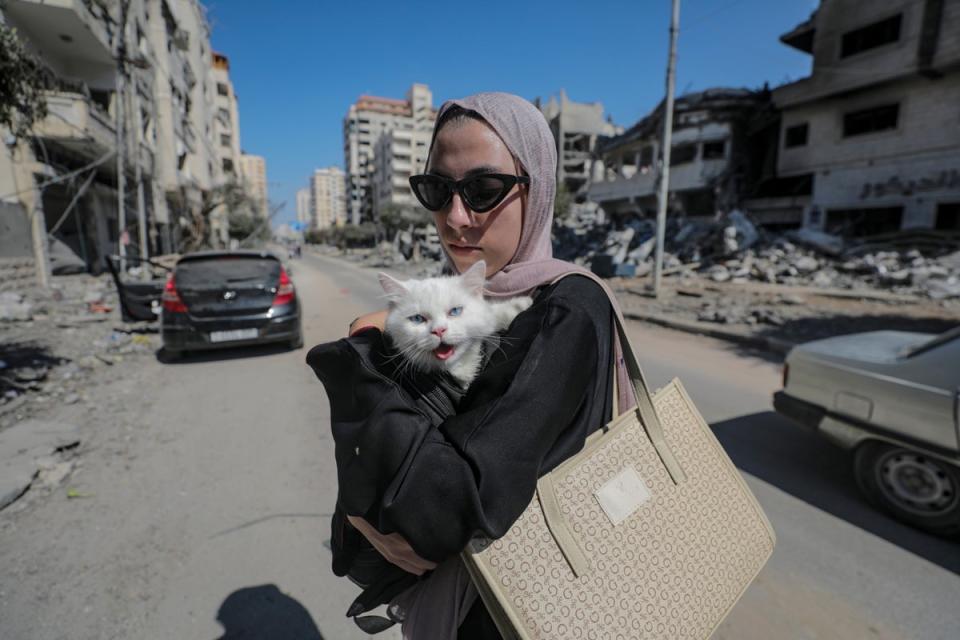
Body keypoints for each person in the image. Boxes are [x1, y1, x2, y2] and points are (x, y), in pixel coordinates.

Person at [330, 93, 635, 639]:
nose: (454, 217)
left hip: (516, 614)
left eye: (483, 190)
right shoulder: (472, 304)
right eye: (437, 191)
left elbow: (445, 504)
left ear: (535, 188)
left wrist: (359, 358)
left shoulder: (564, 308)